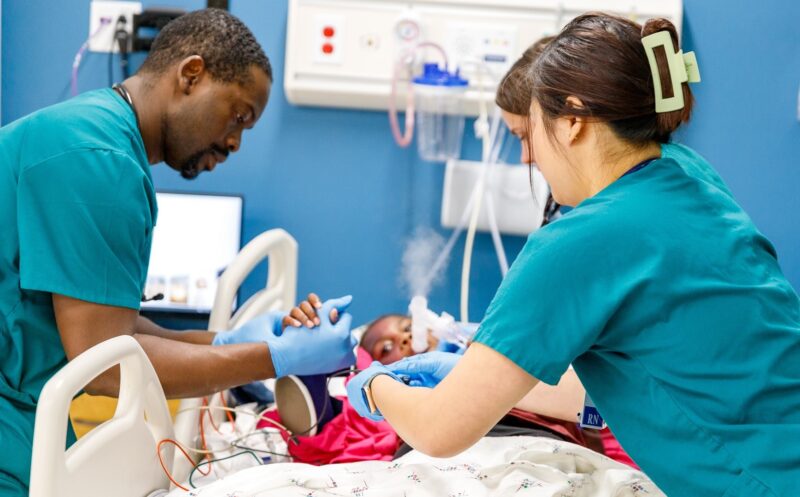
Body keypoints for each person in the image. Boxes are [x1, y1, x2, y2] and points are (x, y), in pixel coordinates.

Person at [346, 13, 800, 497]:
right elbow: (674, 377)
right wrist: (471, 379)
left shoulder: (580, 242)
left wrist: (373, 384)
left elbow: (439, 431)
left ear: (573, 120)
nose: (529, 157)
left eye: (532, 131)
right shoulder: (687, 173)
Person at [0, 9, 355, 495]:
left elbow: (110, 329)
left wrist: (227, 343)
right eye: (239, 116)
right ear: (191, 74)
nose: (234, 141)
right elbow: (106, 365)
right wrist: (272, 360)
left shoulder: (97, 138)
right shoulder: (98, 160)